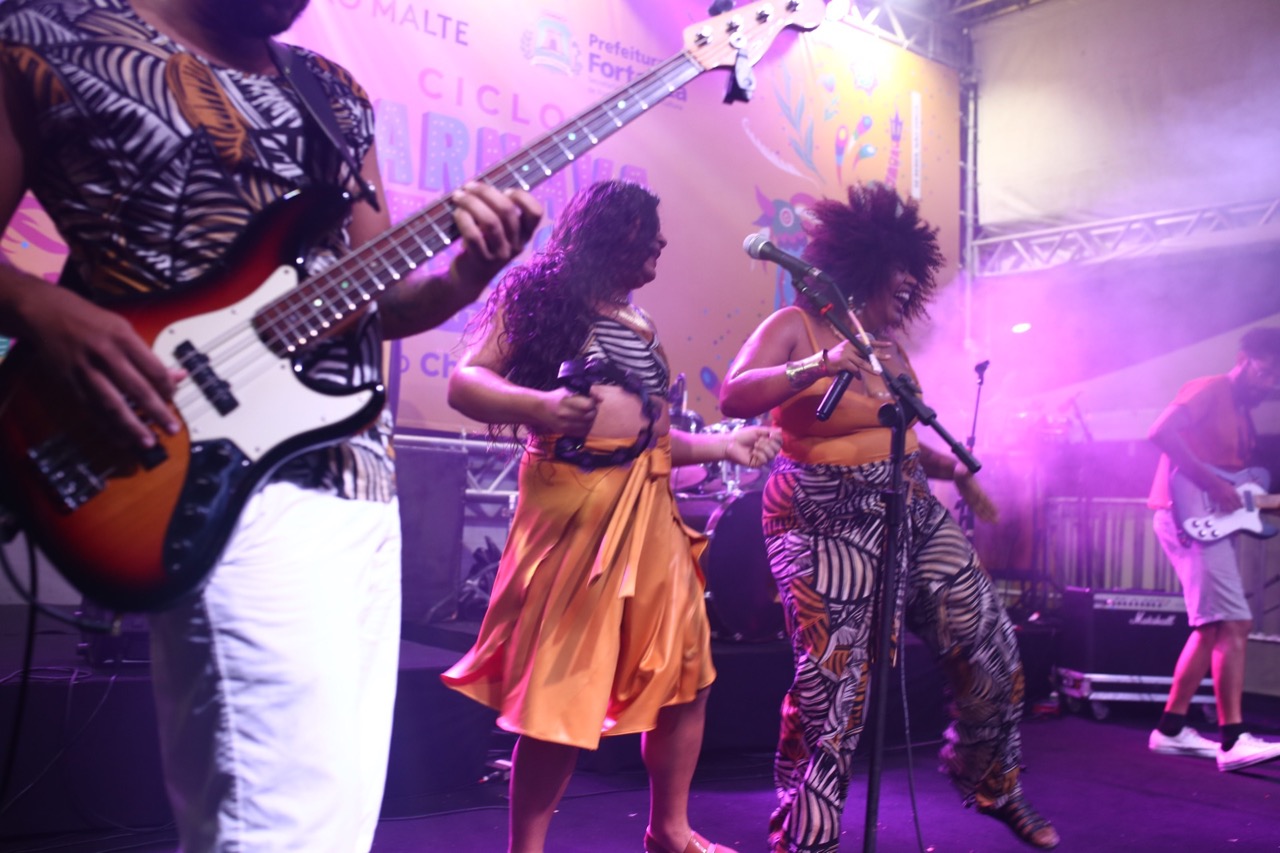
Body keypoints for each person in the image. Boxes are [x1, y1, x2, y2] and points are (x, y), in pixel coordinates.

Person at [0, 0, 541, 849]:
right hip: (208, 470)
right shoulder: (48, 35)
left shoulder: (332, 92)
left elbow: (376, 298)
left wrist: (463, 280)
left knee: (333, 821)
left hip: (360, 475)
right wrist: (39, 307)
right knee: (276, 825)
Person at [440, 179, 781, 853]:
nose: (660, 241)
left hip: (649, 510)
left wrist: (725, 444)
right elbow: (464, 382)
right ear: (605, 236)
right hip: (576, 506)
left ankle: (670, 831)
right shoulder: (541, 299)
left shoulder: (640, 324)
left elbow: (651, 436)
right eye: (644, 229)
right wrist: (539, 406)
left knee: (686, 674)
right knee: (561, 693)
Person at [718, 182, 1060, 852]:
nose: (907, 284)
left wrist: (950, 468)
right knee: (832, 688)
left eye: (913, 271)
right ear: (861, 265)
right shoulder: (795, 326)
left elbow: (894, 433)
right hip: (822, 513)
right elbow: (734, 393)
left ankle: (989, 779)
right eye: (897, 269)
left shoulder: (890, 352)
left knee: (988, 638)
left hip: (908, 503)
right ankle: (806, 839)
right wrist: (821, 362)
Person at [1145, 326, 1280, 773]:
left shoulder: (1241, 412)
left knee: (1211, 627)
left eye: (1277, 379)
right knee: (1235, 622)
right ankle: (1233, 740)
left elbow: (1236, 489)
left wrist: (1234, 495)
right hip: (1184, 516)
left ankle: (1170, 729)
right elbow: (1160, 432)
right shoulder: (1210, 388)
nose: (1270, 383)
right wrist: (1214, 485)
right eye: (1266, 372)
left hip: (1202, 520)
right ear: (1244, 359)